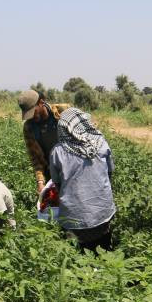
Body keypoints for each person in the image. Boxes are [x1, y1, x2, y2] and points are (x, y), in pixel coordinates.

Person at [48, 108, 116, 252]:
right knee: (103, 252)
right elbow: (109, 174)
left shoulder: (58, 152)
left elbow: (57, 184)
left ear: (63, 129)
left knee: (77, 256)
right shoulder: (101, 144)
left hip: (73, 217)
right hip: (102, 213)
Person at [18, 90, 71, 198]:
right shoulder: (29, 128)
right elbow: (36, 159)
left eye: (34, 111)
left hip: (73, 169)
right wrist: (40, 183)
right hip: (52, 173)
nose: (31, 116)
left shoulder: (62, 111)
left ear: (41, 103)